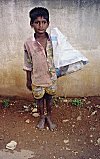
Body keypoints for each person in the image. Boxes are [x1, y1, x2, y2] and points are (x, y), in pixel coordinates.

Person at [23, 7, 57, 131]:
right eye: (37, 22)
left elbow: (60, 56)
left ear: (48, 23)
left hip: (51, 77)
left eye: (44, 22)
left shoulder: (53, 40)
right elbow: (27, 63)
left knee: (49, 98)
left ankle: (49, 117)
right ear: (31, 24)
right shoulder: (28, 43)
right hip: (37, 77)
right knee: (39, 98)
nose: (41, 26)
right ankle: (42, 117)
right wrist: (28, 79)